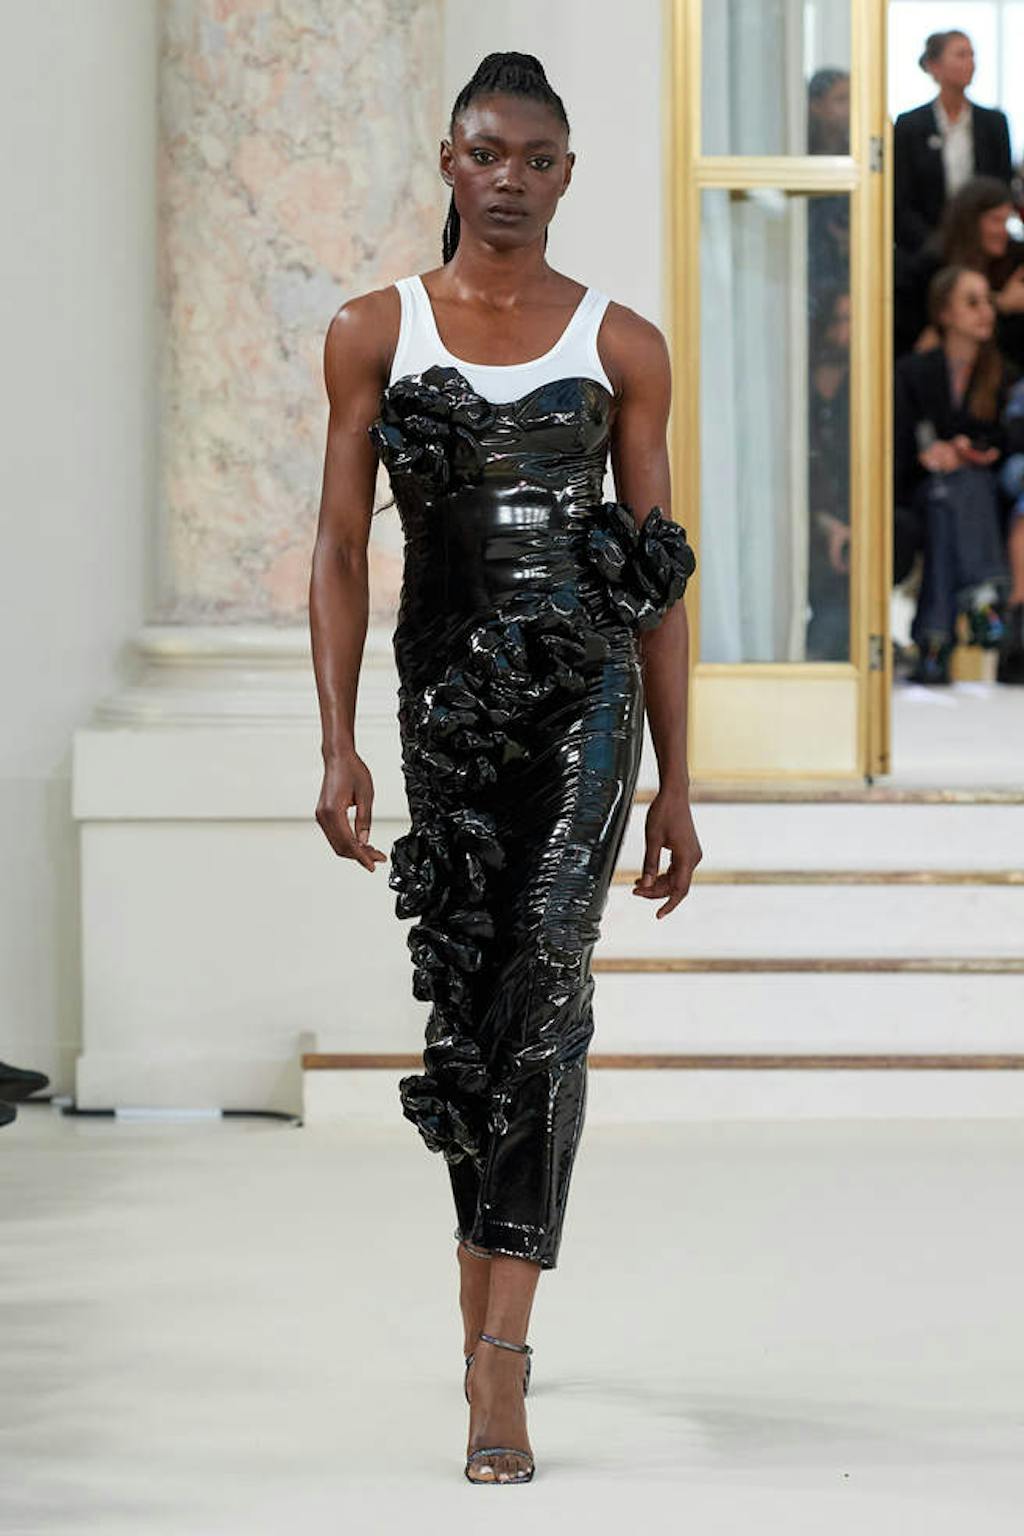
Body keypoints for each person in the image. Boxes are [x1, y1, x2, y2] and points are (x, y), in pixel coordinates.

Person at [308, 52, 699, 1485]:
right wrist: (337, 739)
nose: (511, 181)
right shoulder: (374, 330)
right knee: (475, 1011)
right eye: (488, 154)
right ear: (449, 161)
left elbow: (652, 580)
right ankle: (483, 1308)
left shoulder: (621, 343)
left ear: (568, 174)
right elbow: (339, 550)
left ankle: (501, 1359)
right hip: (446, 713)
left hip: (586, 700)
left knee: (547, 977)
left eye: (538, 160)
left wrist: (677, 780)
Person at [894, 266, 1012, 683]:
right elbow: (898, 447)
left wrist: (972, 451)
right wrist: (932, 457)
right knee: (946, 492)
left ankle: (933, 644)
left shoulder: (1002, 373)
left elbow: (1008, 438)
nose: (985, 312)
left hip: (978, 495)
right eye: (972, 302)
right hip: (921, 487)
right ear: (944, 312)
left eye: (988, 302)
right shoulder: (914, 372)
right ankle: (983, 598)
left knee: (953, 496)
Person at [893, 30, 1012, 255]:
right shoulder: (910, 125)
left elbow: (1002, 186)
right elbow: (901, 198)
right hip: (925, 249)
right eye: (961, 55)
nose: (970, 63)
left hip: (984, 247)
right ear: (934, 66)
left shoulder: (994, 123)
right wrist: (935, 246)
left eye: (972, 55)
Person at [895, 177, 1024, 364]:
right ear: (970, 222)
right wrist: (1002, 305)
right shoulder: (929, 267)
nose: (1003, 231)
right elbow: (921, 341)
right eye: (995, 220)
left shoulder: (1013, 261)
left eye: (1006, 221)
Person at [806, 289, 851, 660]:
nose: (846, 331)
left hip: (856, 515)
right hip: (808, 513)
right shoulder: (797, 381)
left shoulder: (871, 387)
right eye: (840, 320)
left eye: (853, 320)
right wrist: (823, 520)